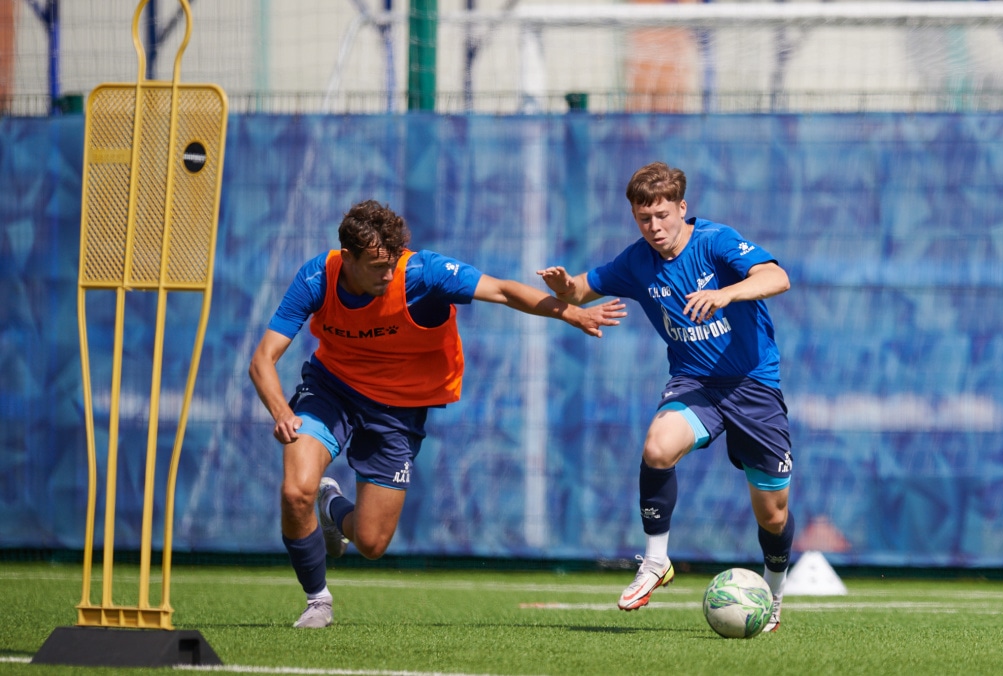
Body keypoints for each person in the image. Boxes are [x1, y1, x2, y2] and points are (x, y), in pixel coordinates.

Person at [249, 199, 626, 629]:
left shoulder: (423, 273)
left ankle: (330, 503)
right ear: (347, 257)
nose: (388, 274)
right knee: (295, 490)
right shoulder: (317, 277)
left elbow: (504, 290)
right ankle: (317, 600)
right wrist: (282, 412)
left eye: (392, 263)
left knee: (371, 543)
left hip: (398, 408)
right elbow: (262, 361)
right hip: (331, 389)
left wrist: (572, 313)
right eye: (377, 266)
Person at [538, 162, 794, 632]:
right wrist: (565, 288)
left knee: (773, 516)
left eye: (662, 215)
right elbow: (581, 289)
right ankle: (656, 561)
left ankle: (773, 593)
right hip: (695, 383)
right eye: (644, 218)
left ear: (682, 207)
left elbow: (777, 277)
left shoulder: (715, 241)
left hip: (753, 385)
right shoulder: (637, 261)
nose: (654, 227)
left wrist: (726, 294)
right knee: (657, 447)